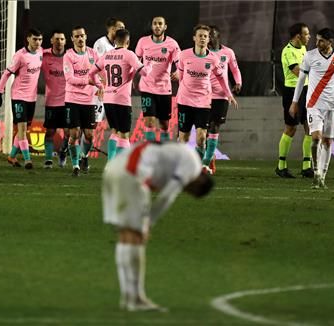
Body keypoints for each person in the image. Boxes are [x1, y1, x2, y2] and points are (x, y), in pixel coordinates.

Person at [102, 141, 214, 311]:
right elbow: (167, 196)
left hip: (114, 169)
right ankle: (136, 299)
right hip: (132, 172)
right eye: (191, 190)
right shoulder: (192, 165)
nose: (186, 190)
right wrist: (148, 222)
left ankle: (128, 297)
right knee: (136, 236)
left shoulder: (181, 154)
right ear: (200, 180)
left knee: (126, 235)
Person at [289, 28, 334, 189]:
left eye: (321, 41)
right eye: (317, 40)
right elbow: (301, 80)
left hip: (332, 106)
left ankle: (322, 177)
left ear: (329, 42)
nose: (317, 43)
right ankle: (316, 172)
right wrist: (294, 101)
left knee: (327, 142)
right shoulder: (310, 56)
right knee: (316, 138)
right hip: (313, 104)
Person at [176, 24, 238, 171]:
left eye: (205, 36)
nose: (202, 38)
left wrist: (229, 94)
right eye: (200, 36)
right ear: (194, 38)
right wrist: (182, 91)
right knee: (183, 137)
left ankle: (199, 166)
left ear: (208, 39)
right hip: (185, 101)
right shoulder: (184, 55)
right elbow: (181, 76)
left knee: (201, 137)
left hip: (203, 102)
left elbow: (221, 77)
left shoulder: (213, 59)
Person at [89, 29, 151, 161]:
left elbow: (91, 73)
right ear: (128, 42)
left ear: (115, 41)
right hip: (122, 100)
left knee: (115, 132)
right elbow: (145, 72)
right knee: (124, 134)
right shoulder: (129, 54)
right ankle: (122, 167)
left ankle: (111, 164)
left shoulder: (107, 55)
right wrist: (150, 65)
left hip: (108, 99)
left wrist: (100, 85)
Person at [0, 28, 43, 169]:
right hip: (19, 96)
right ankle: (28, 160)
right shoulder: (20, 56)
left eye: (40, 39)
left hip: (32, 98)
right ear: (28, 39)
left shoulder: (40, 53)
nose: (37, 42)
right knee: (21, 128)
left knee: (25, 129)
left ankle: (12, 156)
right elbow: (6, 74)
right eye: (35, 39)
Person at [203, 25, 242, 175]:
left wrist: (238, 83)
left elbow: (235, 69)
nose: (208, 38)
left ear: (218, 36)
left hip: (221, 96)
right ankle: (208, 157)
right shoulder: (202, 53)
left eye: (211, 35)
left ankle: (207, 162)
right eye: (206, 35)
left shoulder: (228, 52)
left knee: (214, 127)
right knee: (203, 130)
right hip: (204, 96)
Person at [135, 16, 181, 142]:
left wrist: (178, 72)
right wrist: (134, 79)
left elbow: (180, 63)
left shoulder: (172, 44)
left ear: (165, 27)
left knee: (164, 125)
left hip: (164, 89)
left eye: (160, 23)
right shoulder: (143, 42)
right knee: (149, 122)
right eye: (155, 23)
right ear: (152, 26)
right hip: (147, 87)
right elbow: (135, 61)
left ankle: (163, 155)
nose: (157, 26)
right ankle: (150, 154)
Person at [276, 23, 313, 179]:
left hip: (306, 91)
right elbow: (299, 73)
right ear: (298, 36)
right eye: (306, 34)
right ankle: (281, 166)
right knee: (291, 129)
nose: (309, 36)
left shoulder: (303, 49)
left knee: (310, 127)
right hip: (292, 93)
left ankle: (307, 166)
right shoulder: (288, 51)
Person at [63, 26, 101, 176]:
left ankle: (84, 157)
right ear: (72, 39)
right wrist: (89, 81)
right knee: (74, 133)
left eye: (82, 36)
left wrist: (101, 85)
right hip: (72, 99)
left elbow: (99, 73)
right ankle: (75, 166)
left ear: (86, 37)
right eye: (76, 36)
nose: (80, 39)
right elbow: (69, 78)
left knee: (90, 134)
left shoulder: (93, 54)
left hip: (89, 100)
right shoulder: (68, 56)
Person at [93, 18, 126, 155]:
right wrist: (104, 86)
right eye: (120, 27)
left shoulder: (121, 45)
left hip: (116, 93)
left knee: (116, 127)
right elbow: (99, 67)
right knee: (93, 124)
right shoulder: (101, 44)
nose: (123, 29)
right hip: (101, 90)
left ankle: (115, 159)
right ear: (111, 29)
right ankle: (82, 154)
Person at [41, 30, 68, 168]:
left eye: (61, 39)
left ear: (65, 41)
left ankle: (63, 151)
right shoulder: (44, 55)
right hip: (51, 101)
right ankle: (48, 159)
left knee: (69, 133)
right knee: (50, 131)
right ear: (51, 40)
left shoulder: (70, 56)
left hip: (68, 100)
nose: (59, 42)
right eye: (56, 39)